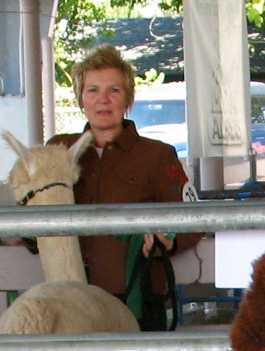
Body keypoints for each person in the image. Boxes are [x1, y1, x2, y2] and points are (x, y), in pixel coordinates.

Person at [46, 45, 201, 331]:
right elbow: (36, 212)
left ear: (128, 98)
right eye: (93, 90)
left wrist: (169, 239)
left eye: (113, 90)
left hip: (135, 301)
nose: (103, 100)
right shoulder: (58, 151)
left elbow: (193, 217)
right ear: (80, 98)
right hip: (70, 302)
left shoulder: (157, 156)